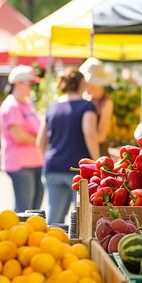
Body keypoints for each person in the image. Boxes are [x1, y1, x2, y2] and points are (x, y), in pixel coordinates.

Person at [38, 68, 100, 224]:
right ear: (80, 83)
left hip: (53, 166)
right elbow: (89, 134)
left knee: (54, 216)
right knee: (81, 218)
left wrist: (46, 159)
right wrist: (99, 163)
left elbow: (40, 140)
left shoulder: (52, 107)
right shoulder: (87, 107)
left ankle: (49, 246)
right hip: (79, 169)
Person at [0, 66, 43, 213]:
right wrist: (41, 140)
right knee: (24, 209)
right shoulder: (12, 106)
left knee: (34, 209)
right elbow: (19, 136)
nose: (32, 88)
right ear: (17, 83)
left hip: (34, 162)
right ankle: (16, 235)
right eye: (29, 84)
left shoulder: (27, 103)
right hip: (20, 164)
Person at [79, 57, 114, 150]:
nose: (89, 86)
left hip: (96, 149)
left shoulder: (106, 102)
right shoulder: (84, 96)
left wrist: (82, 139)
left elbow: (102, 135)